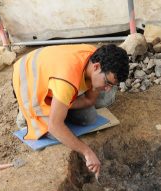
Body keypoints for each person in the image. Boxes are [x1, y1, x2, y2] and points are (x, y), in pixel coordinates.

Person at [12, 44, 129, 177]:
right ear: (96, 67)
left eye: (112, 85)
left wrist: (62, 105)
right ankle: (25, 115)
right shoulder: (67, 80)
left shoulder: (96, 57)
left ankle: (57, 104)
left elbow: (90, 101)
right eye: (107, 83)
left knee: (88, 117)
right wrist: (87, 152)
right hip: (28, 78)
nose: (108, 89)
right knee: (52, 132)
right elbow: (54, 126)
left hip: (55, 73)